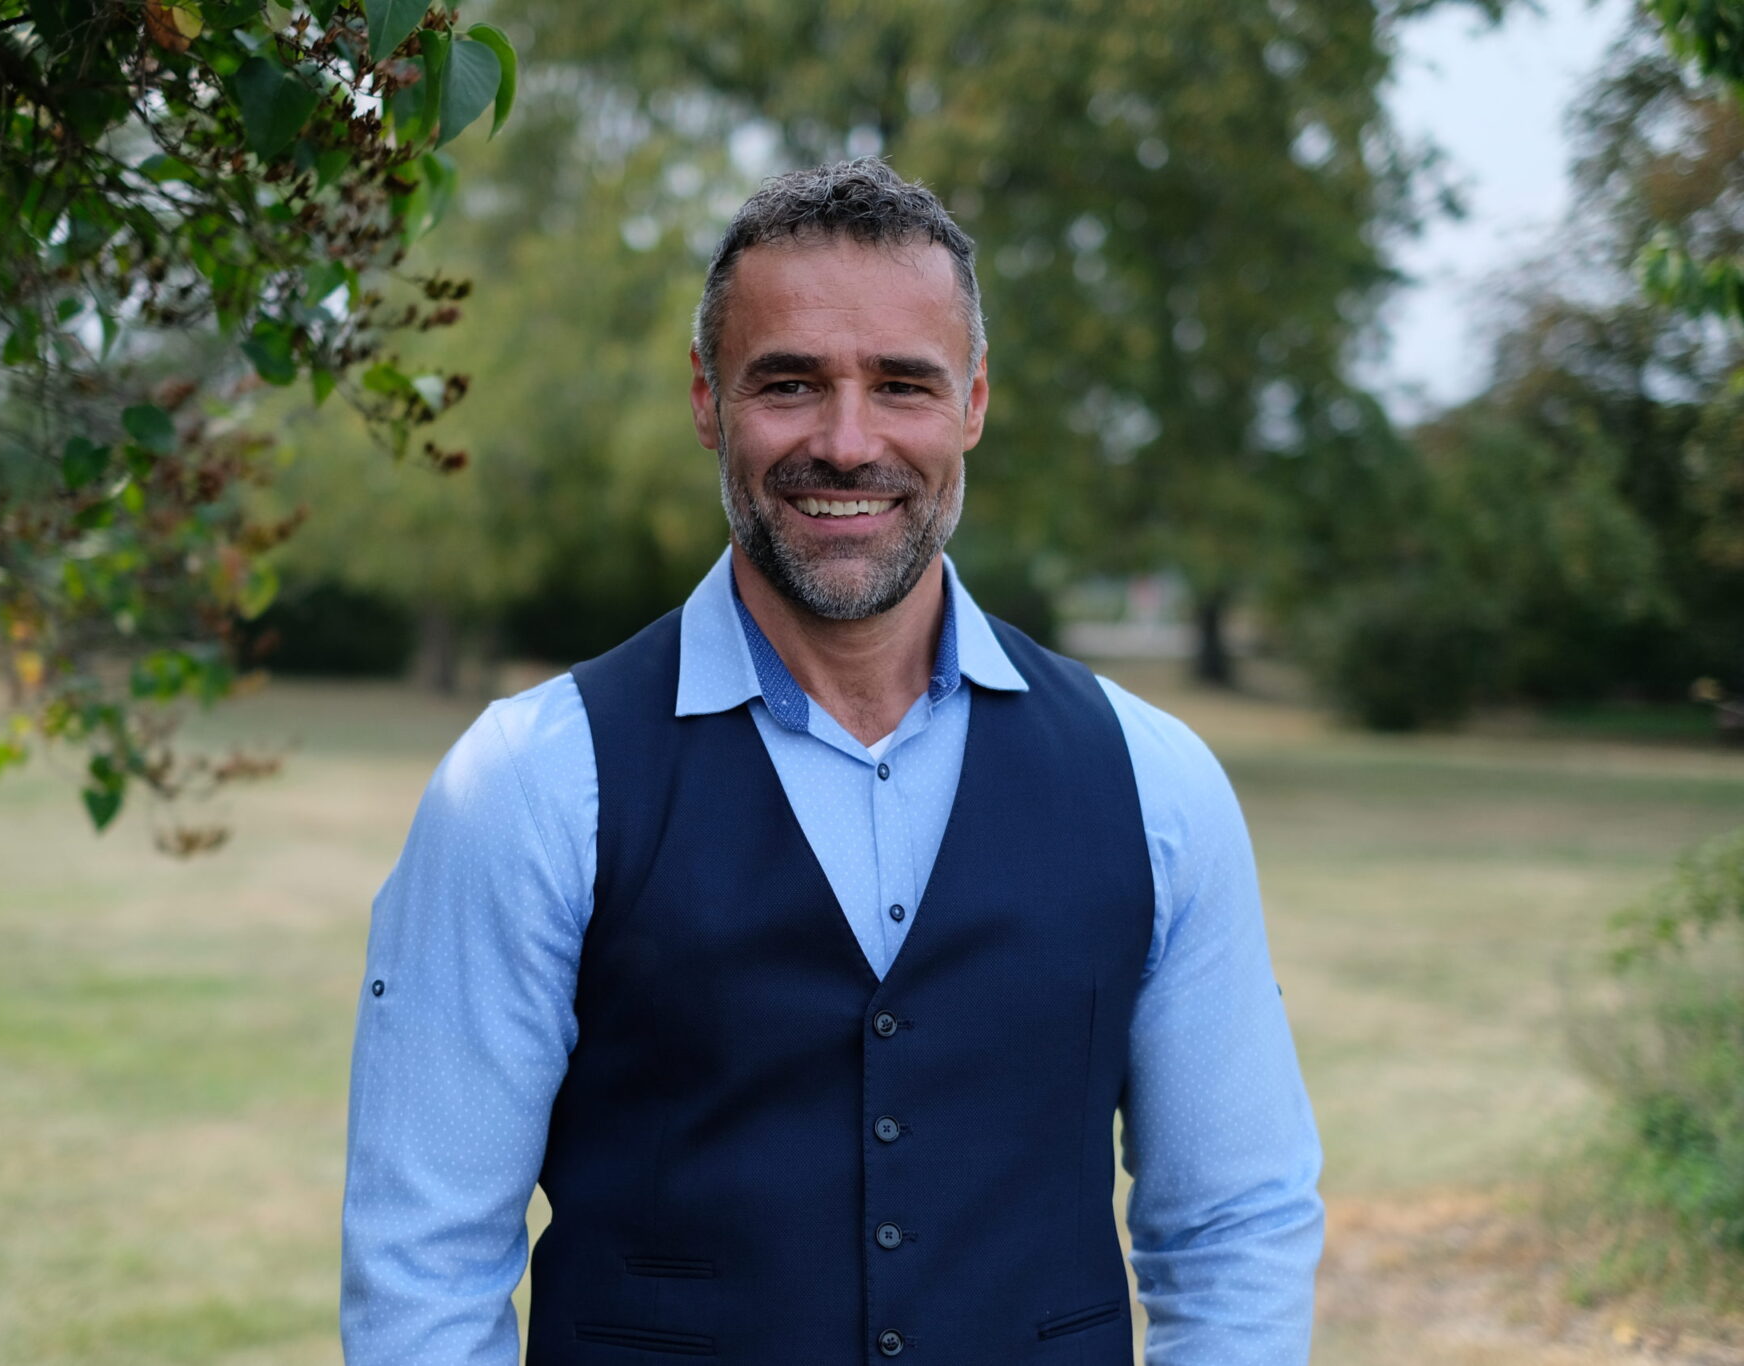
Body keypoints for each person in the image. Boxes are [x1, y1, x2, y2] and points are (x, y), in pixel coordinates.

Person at [341, 157, 1323, 1365]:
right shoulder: (528, 783)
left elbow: (1235, 1225)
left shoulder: (1153, 781)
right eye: (789, 383)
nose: (847, 443)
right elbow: (423, 1268)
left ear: (971, 404)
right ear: (707, 401)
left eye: (902, 384)